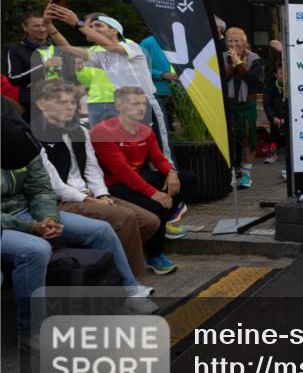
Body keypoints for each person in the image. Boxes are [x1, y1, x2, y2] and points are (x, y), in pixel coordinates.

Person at [2, 150, 157, 350]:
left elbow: (41, 189)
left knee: (100, 230)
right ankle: (31, 332)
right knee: (36, 250)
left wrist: (49, 218)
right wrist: (31, 227)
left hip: (29, 212)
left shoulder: (19, 144)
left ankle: (126, 293)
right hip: (6, 224)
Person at [32, 79, 161, 277]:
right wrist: (87, 199)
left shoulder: (80, 130)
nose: (70, 106)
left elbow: (92, 168)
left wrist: (101, 194)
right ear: (41, 104)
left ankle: (106, 267)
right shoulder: (34, 136)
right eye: (62, 102)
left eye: (73, 102)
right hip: (60, 201)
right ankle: (132, 280)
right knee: (125, 218)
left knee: (150, 221)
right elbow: (52, 184)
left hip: (89, 193)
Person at [90, 86, 197, 274]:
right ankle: (155, 255)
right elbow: (122, 171)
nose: (140, 108)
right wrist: (153, 193)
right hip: (114, 185)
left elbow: (159, 159)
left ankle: (162, 224)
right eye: (134, 104)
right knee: (157, 206)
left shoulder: (145, 130)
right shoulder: (102, 132)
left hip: (137, 179)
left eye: (143, 104)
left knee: (186, 178)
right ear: (119, 106)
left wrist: (171, 173)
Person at [45, 3, 172, 160]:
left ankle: (172, 177)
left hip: (146, 104)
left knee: (161, 150)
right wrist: (49, 26)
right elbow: (69, 49)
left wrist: (78, 23)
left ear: (114, 30)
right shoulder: (101, 55)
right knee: (135, 152)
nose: (92, 28)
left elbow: (112, 46)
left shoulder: (130, 46)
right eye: (91, 26)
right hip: (124, 110)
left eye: (98, 25)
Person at [3, 11, 72, 119]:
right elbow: (14, 79)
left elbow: (71, 77)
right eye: (36, 26)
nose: (42, 29)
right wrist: (42, 67)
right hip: (32, 103)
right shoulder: (16, 50)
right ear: (25, 27)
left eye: (45, 25)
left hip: (60, 102)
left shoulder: (59, 49)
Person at [223, 27, 265, 188]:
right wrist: (233, 63)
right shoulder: (222, 58)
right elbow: (222, 78)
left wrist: (239, 63)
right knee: (231, 139)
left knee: (248, 138)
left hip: (247, 104)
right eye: (230, 41)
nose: (233, 44)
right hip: (229, 104)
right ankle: (231, 172)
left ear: (244, 42)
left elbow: (255, 80)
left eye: (237, 40)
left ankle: (246, 175)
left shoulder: (255, 59)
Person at [140, 33, 178, 142]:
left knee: (183, 127)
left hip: (181, 93)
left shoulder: (178, 39)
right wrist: (161, 74)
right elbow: (139, 68)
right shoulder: (148, 42)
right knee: (164, 127)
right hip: (159, 92)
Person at [263, 60, 288, 169]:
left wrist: (286, 118)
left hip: (289, 117)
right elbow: (266, 103)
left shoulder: (292, 84)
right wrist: (273, 118)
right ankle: (273, 152)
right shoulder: (270, 85)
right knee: (276, 102)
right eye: (281, 73)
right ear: (276, 74)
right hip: (276, 117)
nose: (284, 75)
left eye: (285, 72)